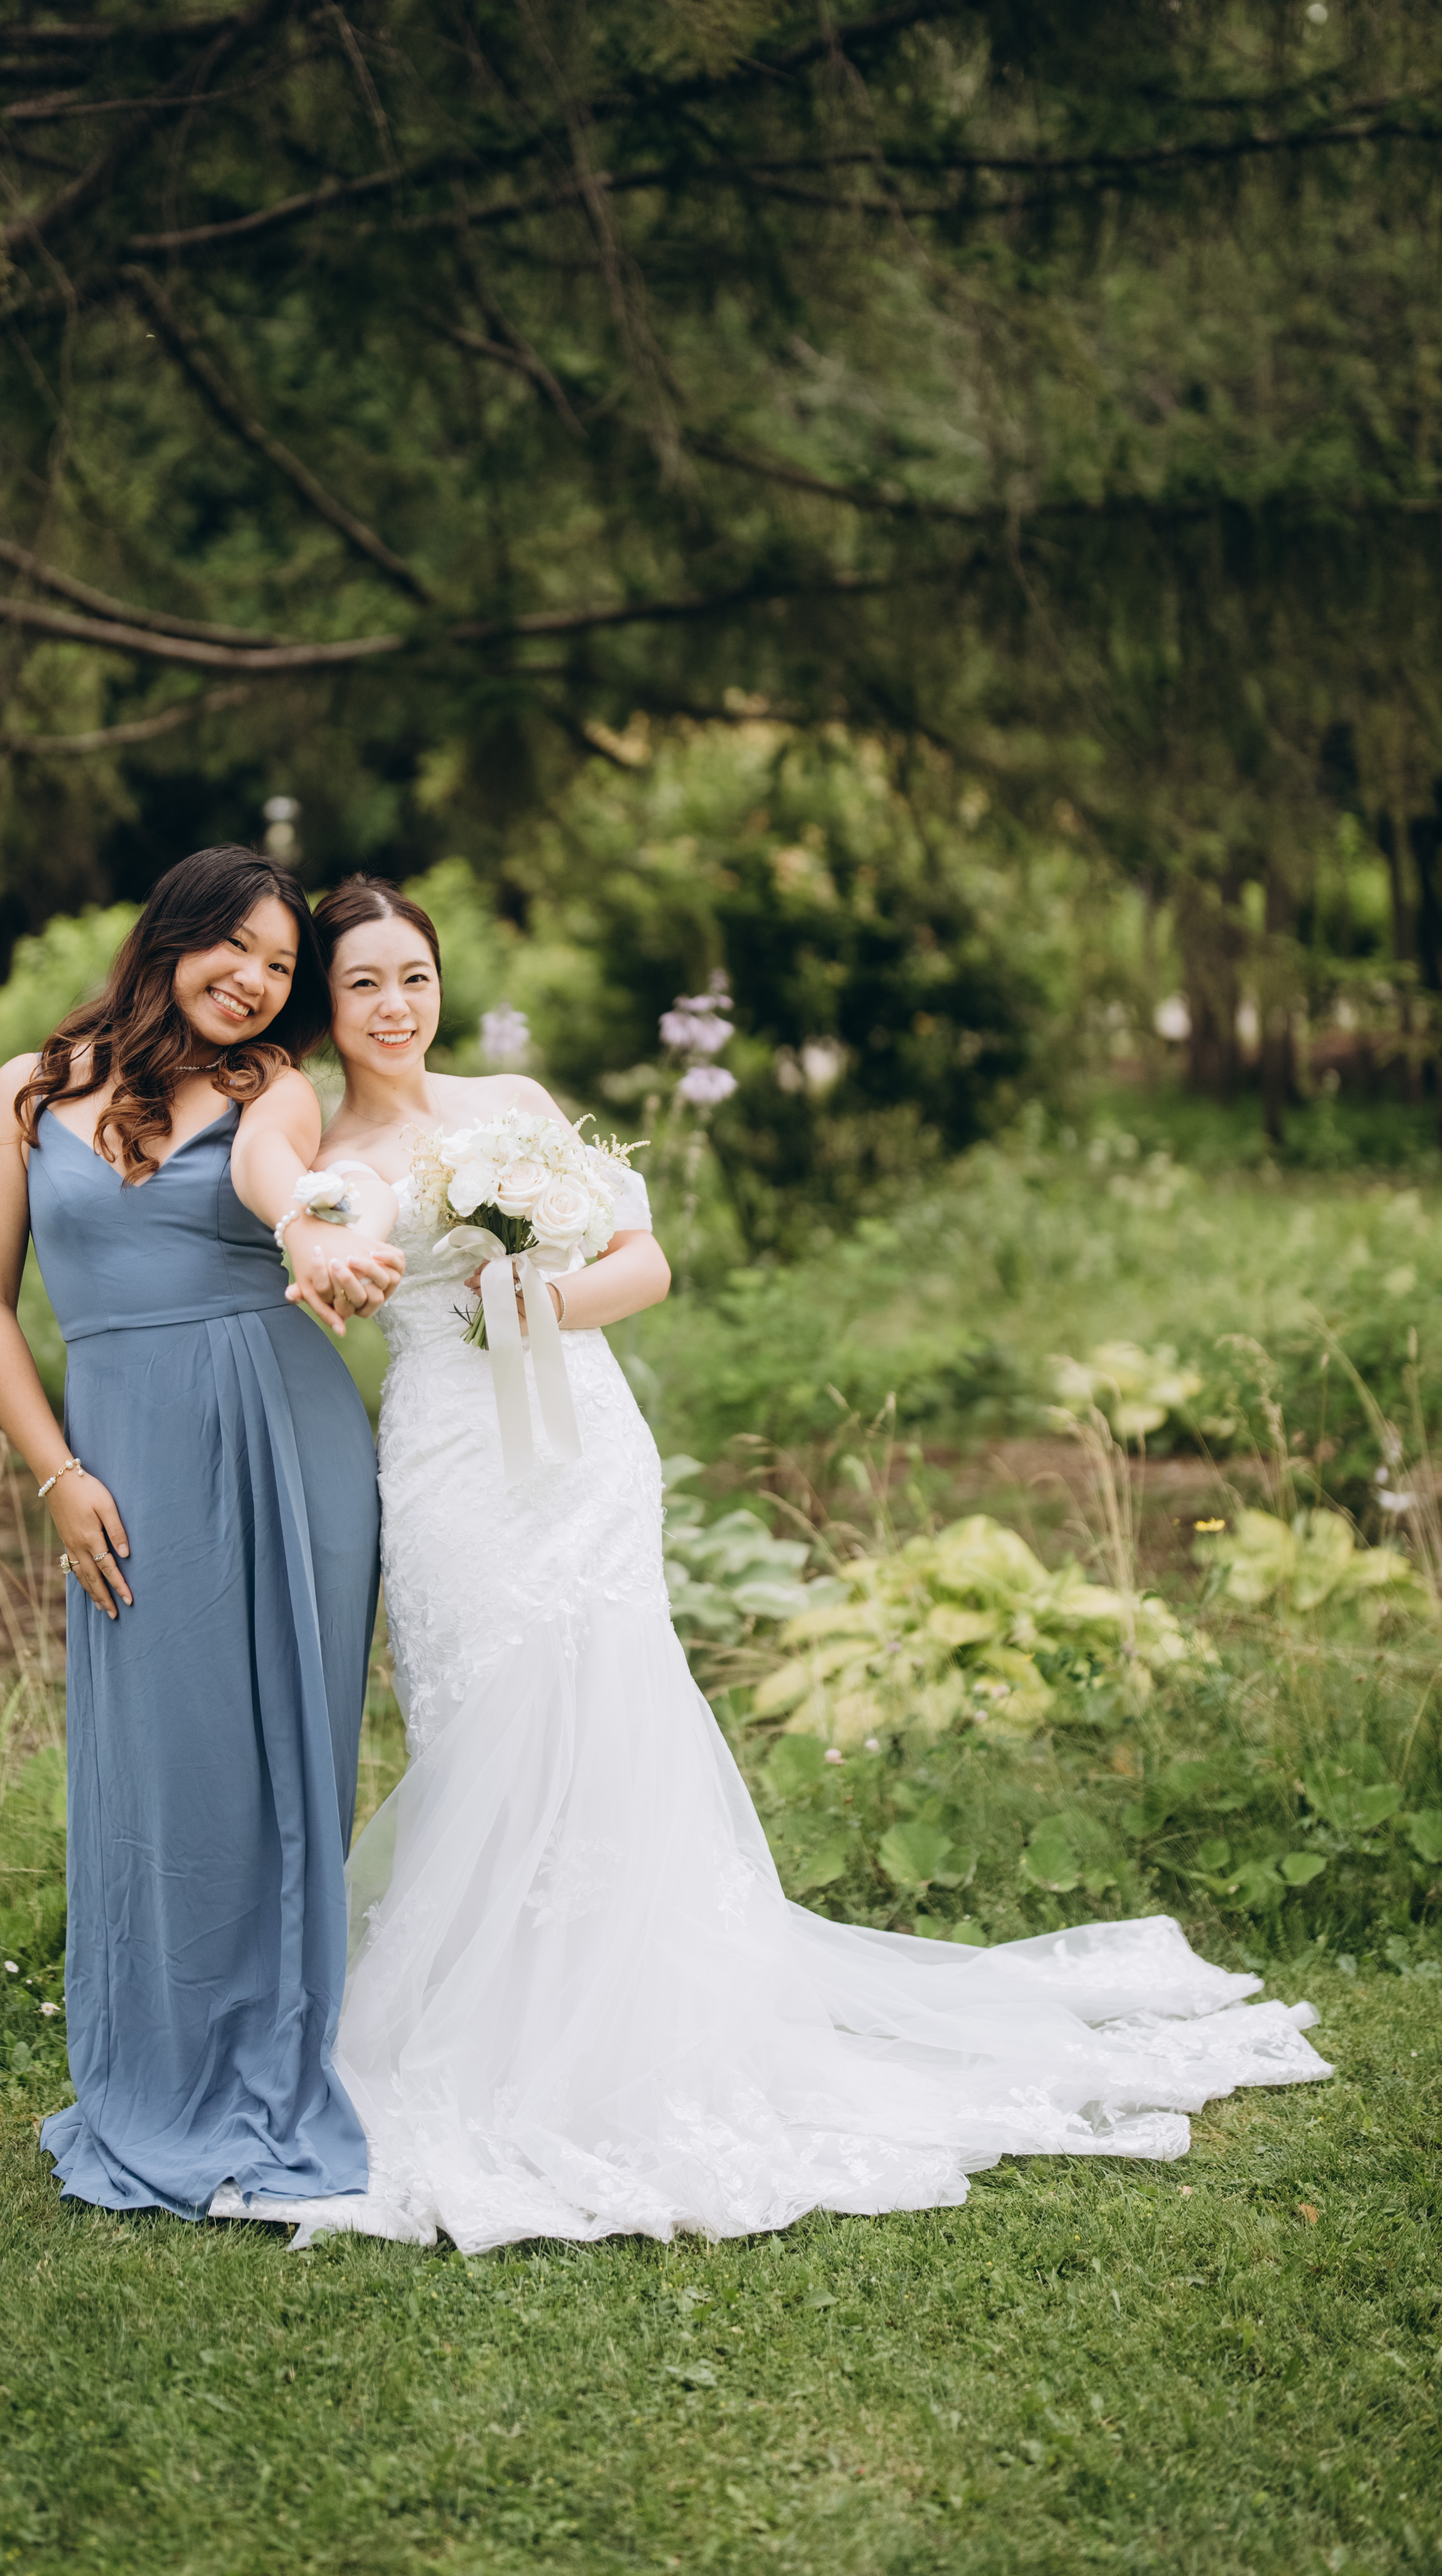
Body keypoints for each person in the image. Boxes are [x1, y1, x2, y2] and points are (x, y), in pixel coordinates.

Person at [255, 874, 1329, 2253]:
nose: (394, 1005)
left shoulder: (512, 1110)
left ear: (441, 983)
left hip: (581, 1440)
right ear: (325, 1000)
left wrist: (537, 1294)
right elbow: (305, 1231)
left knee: (614, 1698)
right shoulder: (324, 1144)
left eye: (414, 976)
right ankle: (498, 2020)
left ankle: (637, 2015)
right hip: (451, 1460)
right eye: (362, 983)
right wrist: (331, 1246)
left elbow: (644, 1261)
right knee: (483, 1706)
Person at [0, 847, 402, 2218]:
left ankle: (276, 2060)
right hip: (126, 1459)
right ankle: (158, 2068)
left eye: (281, 967)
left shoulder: (276, 1086)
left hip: (288, 1437)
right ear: (174, 935)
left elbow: (282, 1180)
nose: (255, 982)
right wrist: (56, 1473)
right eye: (238, 949)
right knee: (164, 1762)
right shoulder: (26, 1091)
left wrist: (314, 1235)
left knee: (284, 1767)